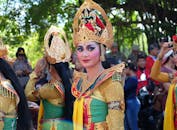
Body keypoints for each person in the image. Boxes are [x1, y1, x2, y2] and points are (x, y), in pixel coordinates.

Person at [72, 0, 125, 129]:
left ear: (102, 50)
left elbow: (116, 127)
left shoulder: (111, 83)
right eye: (80, 49)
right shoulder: (79, 82)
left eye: (90, 48)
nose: (84, 54)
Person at [25, 25, 73, 130]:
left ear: (50, 66)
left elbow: (28, 95)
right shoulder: (69, 83)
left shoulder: (50, 89)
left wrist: (35, 73)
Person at [150, 17, 177, 130]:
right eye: (173, 53)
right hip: (176, 123)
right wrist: (160, 55)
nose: (173, 57)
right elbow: (154, 75)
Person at [0, 40, 31, 130]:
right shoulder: (15, 63)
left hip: (20, 83)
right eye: (19, 55)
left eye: (22, 55)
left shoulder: (3, 88)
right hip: (17, 83)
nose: (21, 56)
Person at [124, 61, 140, 130]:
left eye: (125, 68)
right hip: (129, 102)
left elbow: (124, 89)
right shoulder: (130, 78)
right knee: (127, 125)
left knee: (133, 125)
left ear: (129, 69)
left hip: (132, 102)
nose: (124, 70)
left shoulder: (132, 79)